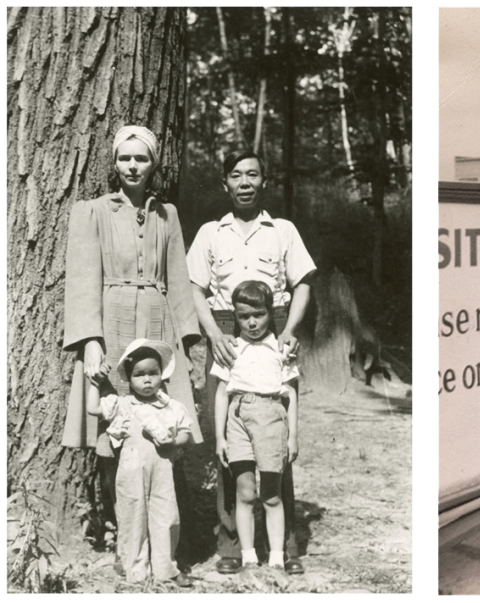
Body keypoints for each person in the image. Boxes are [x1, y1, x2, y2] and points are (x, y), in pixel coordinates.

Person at [62, 126, 202, 555]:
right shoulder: (94, 212)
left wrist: (190, 342)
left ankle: (163, 537)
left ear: (154, 163)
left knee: (163, 429)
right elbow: (84, 280)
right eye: (125, 158)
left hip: (158, 328)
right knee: (112, 432)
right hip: (114, 322)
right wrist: (90, 342)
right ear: (115, 163)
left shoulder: (168, 215)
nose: (133, 166)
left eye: (141, 159)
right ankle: (119, 531)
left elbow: (178, 280)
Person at [186, 150, 316, 574]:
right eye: (236, 175)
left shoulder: (282, 230)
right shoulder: (210, 232)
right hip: (225, 329)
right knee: (229, 441)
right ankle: (231, 546)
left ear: (264, 182)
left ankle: (286, 547)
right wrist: (214, 334)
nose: (245, 182)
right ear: (225, 184)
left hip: (272, 326)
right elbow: (195, 290)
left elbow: (302, 285)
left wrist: (290, 331)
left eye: (253, 175)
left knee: (276, 440)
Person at [87, 339, 192, 586]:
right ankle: (136, 570)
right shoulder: (121, 404)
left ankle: (166, 569)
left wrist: (173, 442)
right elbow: (93, 408)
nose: (147, 380)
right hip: (131, 470)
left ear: (162, 375)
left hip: (163, 469)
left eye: (153, 373)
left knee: (166, 515)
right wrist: (95, 383)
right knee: (133, 516)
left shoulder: (171, 406)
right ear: (128, 377)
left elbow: (185, 433)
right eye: (139, 374)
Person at [212, 281, 299, 571]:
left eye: (259, 315)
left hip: (271, 417)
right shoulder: (231, 348)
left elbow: (291, 393)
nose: (251, 322)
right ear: (235, 316)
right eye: (243, 316)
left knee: (271, 493)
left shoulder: (281, 348)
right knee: (245, 491)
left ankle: (276, 558)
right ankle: (248, 556)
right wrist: (220, 438)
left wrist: (293, 437)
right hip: (237, 419)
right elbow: (222, 393)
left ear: (270, 313)